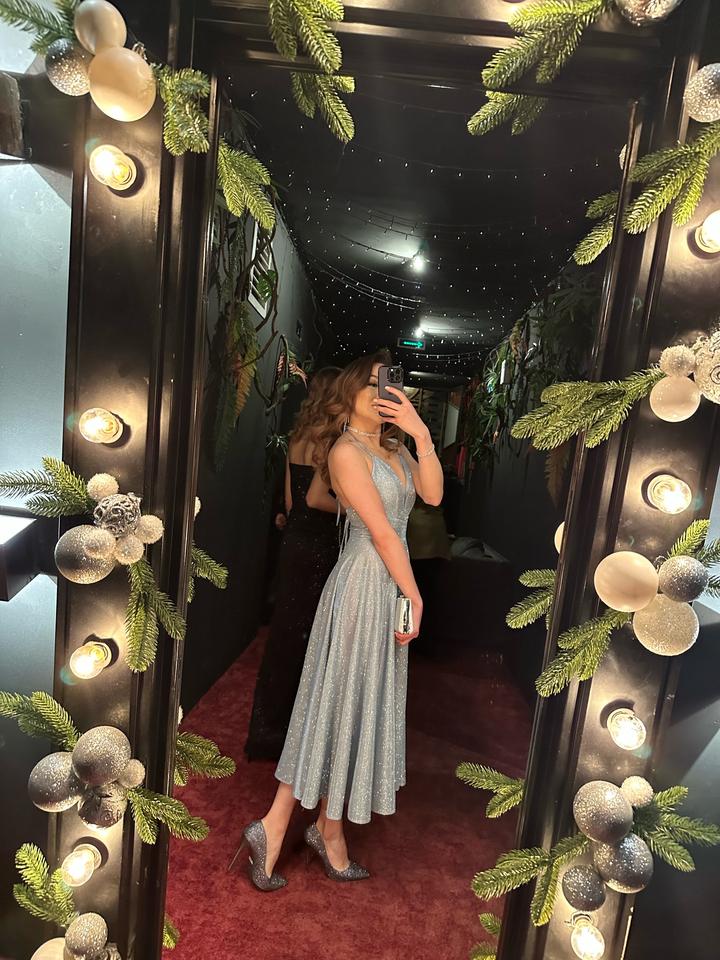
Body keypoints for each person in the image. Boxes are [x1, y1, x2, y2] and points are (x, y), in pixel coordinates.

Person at [234, 351, 444, 889]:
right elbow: (382, 533)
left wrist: (420, 432)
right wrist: (415, 595)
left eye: (388, 383)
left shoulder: (394, 447)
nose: (381, 392)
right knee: (333, 702)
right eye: (371, 383)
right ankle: (278, 825)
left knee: (358, 703)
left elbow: (433, 494)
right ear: (349, 391)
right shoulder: (346, 451)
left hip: (389, 582)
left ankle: (326, 828)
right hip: (362, 585)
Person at [245, 366, 342, 762]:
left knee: (285, 635)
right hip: (320, 543)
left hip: (295, 541)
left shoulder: (299, 435)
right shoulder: (332, 439)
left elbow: (290, 503)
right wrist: (357, 508)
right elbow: (317, 500)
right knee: (313, 639)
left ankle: (266, 731)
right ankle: (297, 737)